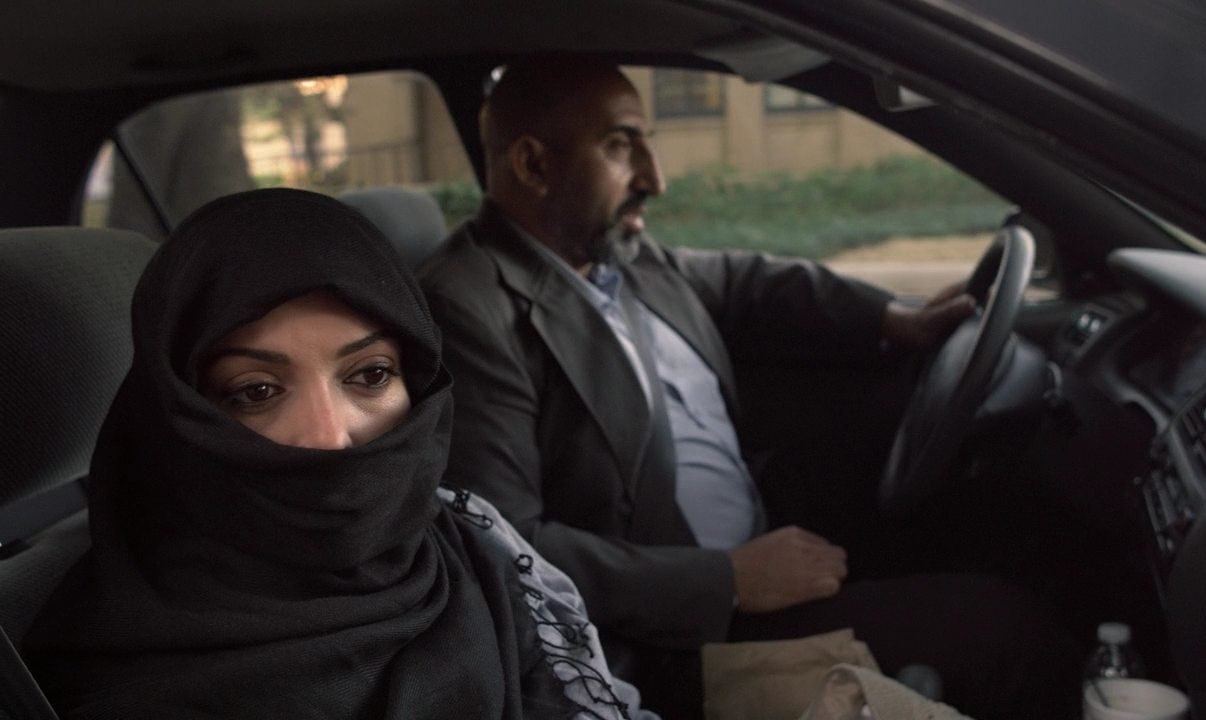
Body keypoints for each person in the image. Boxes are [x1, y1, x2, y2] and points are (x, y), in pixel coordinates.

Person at [417, 57, 1080, 719]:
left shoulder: (616, 256)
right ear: (533, 165)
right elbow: (505, 546)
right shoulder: (468, 306)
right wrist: (728, 580)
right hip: (682, 633)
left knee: (1008, 544)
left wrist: (892, 319)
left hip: (758, 533)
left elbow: (749, 284)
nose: (655, 179)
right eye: (621, 146)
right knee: (1008, 635)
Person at [23, 188, 651, 719]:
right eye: (257, 391)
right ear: (177, 416)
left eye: (371, 375)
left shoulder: (471, 538)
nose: (329, 437)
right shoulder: (112, 680)